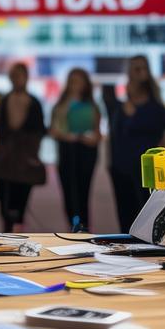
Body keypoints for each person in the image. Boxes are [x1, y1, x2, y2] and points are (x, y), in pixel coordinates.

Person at [101, 55, 165, 231]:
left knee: (145, 213)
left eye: (142, 68)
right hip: (120, 166)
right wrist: (110, 163)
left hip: (145, 168)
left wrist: (132, 113)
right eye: (134, 69)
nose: (138, 73)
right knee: (124, 214)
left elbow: (157, 133)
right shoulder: (119, 106)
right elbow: (114, 135)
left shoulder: (155, 107)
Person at [0, 63, 46, 233]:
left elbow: (39, 132)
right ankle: (7, 234)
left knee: (20, 205)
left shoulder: (33, 103)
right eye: (14, 76)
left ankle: (16, 235)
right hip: (5, 161)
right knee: (4, 203)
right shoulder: (4, 100)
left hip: (24, 161)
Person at [48, 68, 101, 230]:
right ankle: (73, 226)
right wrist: (66, 135)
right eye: (73, 81)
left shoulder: (92, 106)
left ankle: (84, 227)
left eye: (79, 81)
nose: (76, 85)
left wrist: (89, 138)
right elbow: (53, 129)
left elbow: (97, 133)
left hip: (86, 151)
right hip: (66, 151)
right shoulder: (60, 105)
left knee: (83, 193)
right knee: (68, 193)